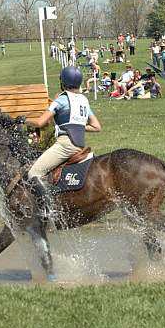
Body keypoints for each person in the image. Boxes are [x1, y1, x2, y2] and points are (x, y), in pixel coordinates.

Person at [24, 66, 101, 219]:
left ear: (62, 82)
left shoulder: (61, 99)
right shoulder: (84, 100)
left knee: (33, 172)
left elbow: (40, 123)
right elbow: (97, 126)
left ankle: (48, 208)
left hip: (65, 145)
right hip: (79, 145)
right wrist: (78, 126)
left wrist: (22, 119)